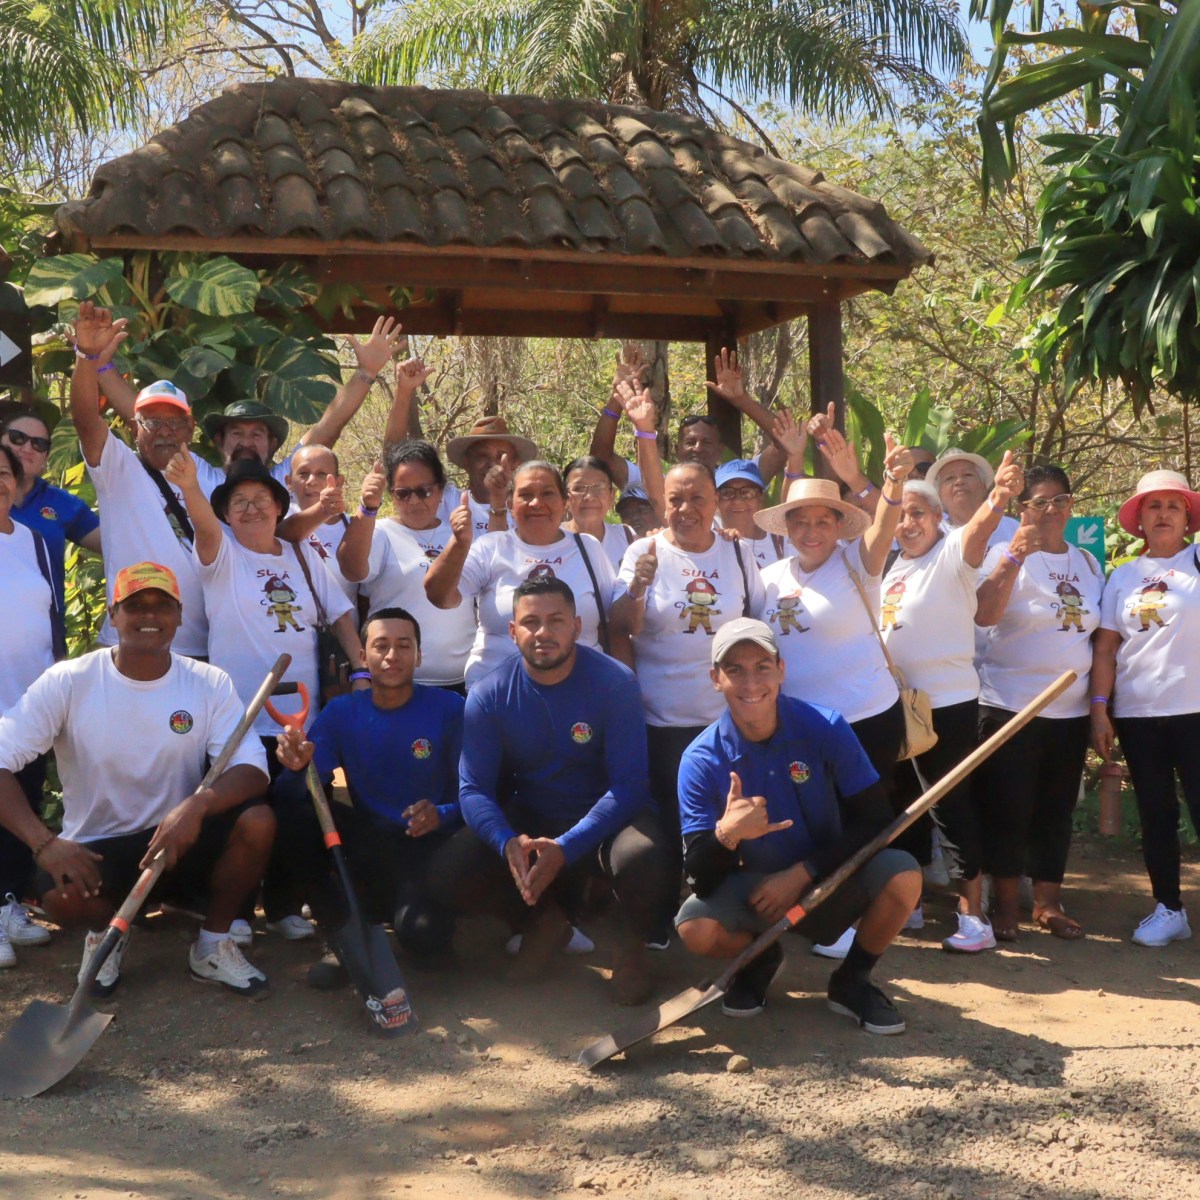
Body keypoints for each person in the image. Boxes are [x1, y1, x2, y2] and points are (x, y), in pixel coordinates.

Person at [0, 561, 273, 997]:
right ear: (114, 615)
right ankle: (108, 932)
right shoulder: (70, 681)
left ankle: (212, 945)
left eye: (162, 606)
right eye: (135, 606)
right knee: (61, 898)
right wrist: (45, 843)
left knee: (257, 822)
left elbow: (253, 769)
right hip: (99, 854)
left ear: (180, 615)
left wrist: (198, 805)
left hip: (177, 843)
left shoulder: (207, 683)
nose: (150, 616)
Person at [433, 577, 674, 1004]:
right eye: (530, 622)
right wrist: (506, 840)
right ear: (512, 632)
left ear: (577, 627)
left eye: (556, 620)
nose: (543, 632)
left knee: (645, 856)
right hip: (534, 816)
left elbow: (630, 785)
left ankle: (629, 949)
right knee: (452, 867)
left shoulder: (615, 683)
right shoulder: (489, 695)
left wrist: (567, 844)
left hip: (608, 818)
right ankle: (543, 922)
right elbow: (472, 790)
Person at [674, 618, 921, 1030]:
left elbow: (877, 819)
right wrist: (728, 834)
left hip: (829, 877)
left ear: (782, 670)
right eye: (734, 669)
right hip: (755, 894)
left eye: (762, 667)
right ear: (715, 679)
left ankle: (852, 981)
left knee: (904, 875)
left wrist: (802, 872)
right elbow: (698, 875)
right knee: (695, 928)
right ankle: (759, 957)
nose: (750, 682)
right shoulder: (700, 759)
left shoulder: (825, 728)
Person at [164, 448, 363, 941]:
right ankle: (231, 911)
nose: (250, 509)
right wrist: (190, 486)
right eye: (238, 502)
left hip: (300, 714)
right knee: (244, 816)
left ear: (280, 507)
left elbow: (338, 611)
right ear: (227, 514)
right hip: (240, 717)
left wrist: (361, 665)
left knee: (297, 811)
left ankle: (282, 905)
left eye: (260, 499)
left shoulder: (301, 554)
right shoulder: (222, 555)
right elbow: (205, 528)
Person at [881, 452, 1024, 953]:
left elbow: (982, 526)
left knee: (948, 803)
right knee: (901, 806)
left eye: (918, 512)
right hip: (898, 706)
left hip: (948, 705)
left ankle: (973, 916)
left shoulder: (954, 552)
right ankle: (910, 905)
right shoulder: (894, 565)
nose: (907, 522)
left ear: (939, 515)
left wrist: (1000, 495)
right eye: (900, 513)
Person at [274, 607, 463, 982]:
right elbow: (293, 793)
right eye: (381, 645)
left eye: (404, 645)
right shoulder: (342, 712)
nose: (392, 655)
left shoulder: (450, 709)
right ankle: (340, 932)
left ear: (419, 655)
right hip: (367, 841)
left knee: (426, 939)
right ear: (363, 656)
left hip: (427, 846)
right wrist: (295, 768)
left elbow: (477, 793)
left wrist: (441, 812)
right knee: (297, 808)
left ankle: (396, 915)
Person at [610, 462, 767, 895]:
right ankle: (664, 914)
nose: (686, 508)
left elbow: (755, 624)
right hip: (660, 720)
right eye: (675, 499)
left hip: (726, 720)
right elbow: (622, 625)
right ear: (663, 504)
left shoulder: (738, 553)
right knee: (667, 821)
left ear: (714, 502)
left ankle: (716, 905)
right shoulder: (642, 552)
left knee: (724, 818)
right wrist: (638, 588)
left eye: (697, 498)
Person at [80, 301, 404, 500]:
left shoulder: (287, 481)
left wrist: (365, 372)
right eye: (236, 433)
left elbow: (327, 428)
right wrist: (99, 363)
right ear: (219, 442)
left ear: (274, 444)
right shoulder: (198, 476)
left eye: (256, 434)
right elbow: (143, 418)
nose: (245, 442)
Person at [974, 465, 1102, 942]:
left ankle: (1047, 904)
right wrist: (1012, 557)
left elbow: (1099, 637)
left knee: (1055, 808)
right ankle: (1005, 904)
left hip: (1068, 711)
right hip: (1010, 705)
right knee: (1009, 807)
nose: (1051, 510)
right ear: (1021, 509)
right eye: (1039, 502)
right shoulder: (1003, 553)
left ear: (1071, 505)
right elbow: (985, 613)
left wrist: (1098, 707)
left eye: (1060, 500)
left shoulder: (1088, 564)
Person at [1092, 470, 1200, 947]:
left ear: (1188, 518)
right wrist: (1100, 708)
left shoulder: (1197, 560)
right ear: (1138, 518)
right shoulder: (1123, 576)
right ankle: (1169, 909)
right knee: (1156, 813)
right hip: (1138, 714)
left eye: (1172, 506)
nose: (1162, 515)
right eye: (1153, 506)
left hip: (1195, 709)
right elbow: (1105, 649)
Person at [70, 307, 211, 658]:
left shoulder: (210, 477)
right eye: (151, 422)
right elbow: (86, 420)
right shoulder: (118, 470)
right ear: (135, 429)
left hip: (200, 648)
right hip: (124, 648)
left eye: (174, 423)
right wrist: (87, 357)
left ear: (190, 429)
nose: (164, 432)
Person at [425, 460, 617, 688]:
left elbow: (613, 621)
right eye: (526, 495)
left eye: (548, 493)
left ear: (565, 501)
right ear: (510, 504)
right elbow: (440, 596)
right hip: (498, 693)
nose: (537, 503)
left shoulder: (589, 548)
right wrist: (458, 544)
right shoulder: (491, 547)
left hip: (581, 691)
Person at [338, 441, 478, 692]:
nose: (414, 501)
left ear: (440, 491)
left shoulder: (461, 533)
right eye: (403, 493)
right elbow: (353, 570)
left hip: (462, 682)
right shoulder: (380, 531)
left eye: (424, 491)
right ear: (391, 494)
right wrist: (367, 508)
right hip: (397, 683)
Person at [0, 444, 59, 966]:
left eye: (3, 472)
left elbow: (50, 619)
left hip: (30, 700)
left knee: (24, 800)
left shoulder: (37, 544)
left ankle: (10, 903)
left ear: (17, 483)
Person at [590, 346, 787, 491]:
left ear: (720, 449)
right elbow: (601, 458)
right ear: (677, 449)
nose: (698, 448)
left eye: (707, 442)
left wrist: (740, 399)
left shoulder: (738, 481)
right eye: (690, 442)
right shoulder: (656, 480)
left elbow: (785, 443)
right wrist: (617, 398)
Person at [0, 402, 101, 608]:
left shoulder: (60, 502)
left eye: (39, 444)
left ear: (46, 459)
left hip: (45, 632)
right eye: (17, 438)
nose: (27, 448)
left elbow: (114, 544)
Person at [285, 442, 358, 606]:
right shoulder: (277, 518)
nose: (312, 481)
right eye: (303, 473)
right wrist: (324, 509)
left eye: (322, 474)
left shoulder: (354, 527)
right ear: (289, 482)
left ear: (339, 482)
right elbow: (287, 532)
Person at [441, 414, 539, 536]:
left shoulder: (527, 509)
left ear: (515, 463)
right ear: (467, 462)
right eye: (482, 456)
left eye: (501, 456)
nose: (492, 464)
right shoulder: (446, 501)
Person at [927, 447, 1019, 548]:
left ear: (984, 485)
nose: (959, 481)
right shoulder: (931, 534)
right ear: (939, 494)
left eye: (967, 475)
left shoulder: (1012, 528)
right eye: (949, 478)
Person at [562, 456, 637, 570]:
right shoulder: (552, 540)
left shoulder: (626, 537)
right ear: (565, 497)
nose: (589, 497)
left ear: (611, 496)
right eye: (579, 488)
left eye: (599, 488)